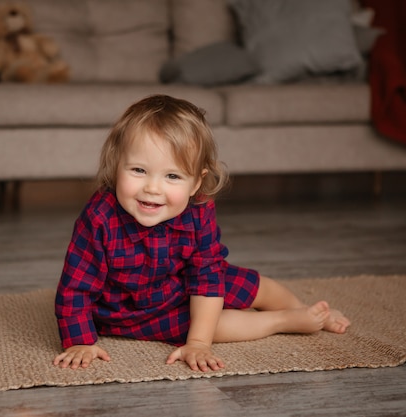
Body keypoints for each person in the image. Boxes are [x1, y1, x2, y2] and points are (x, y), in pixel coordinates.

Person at [53, 95, 350, 372]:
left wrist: (199, 341)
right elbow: (76, 286)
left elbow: (207, 274)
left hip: (180, 283)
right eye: (138, 171)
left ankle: (304, 310)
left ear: (197, 183)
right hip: (128, 308)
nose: (152, 188)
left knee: (251, 284)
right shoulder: (99, 216)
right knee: (204, 325)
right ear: (117, 165)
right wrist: (80, 341)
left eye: (172, 176)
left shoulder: (199, 208)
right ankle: (281, 320)